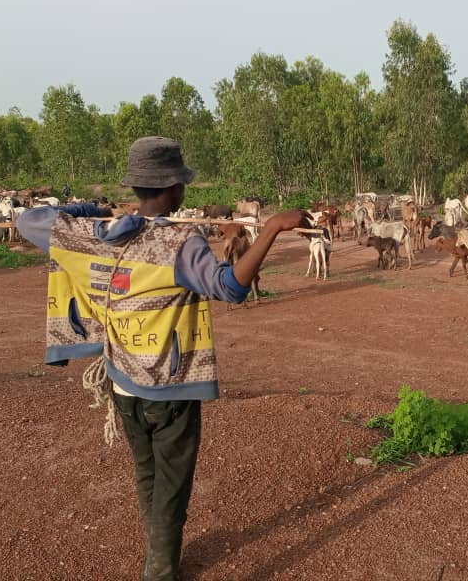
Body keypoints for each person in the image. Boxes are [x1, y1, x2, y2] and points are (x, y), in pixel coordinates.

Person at [17, 136, 310, 581]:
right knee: (172, 482)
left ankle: (157, 548)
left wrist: (92, 212)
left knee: (147, 470)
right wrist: (271, 228)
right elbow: (230, 287)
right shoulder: (179, 243)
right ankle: (160, 569)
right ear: (176, 189)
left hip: (120, 380)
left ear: (135, 187)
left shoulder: (92, 237)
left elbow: (28, 220)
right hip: (169, 387)